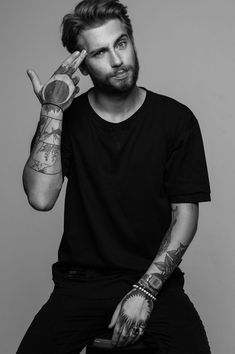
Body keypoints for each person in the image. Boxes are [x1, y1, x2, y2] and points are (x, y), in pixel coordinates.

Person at [17, 0, 212, 353]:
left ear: (132, 41)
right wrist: (51, 111)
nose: (117, 60)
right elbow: (41, 198)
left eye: (121, 44)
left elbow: (185, 214)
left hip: (156, 281)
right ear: (84, 65)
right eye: (100, 53)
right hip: (80, 284)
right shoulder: (66, 118)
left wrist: (146, 290)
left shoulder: (176, 120)